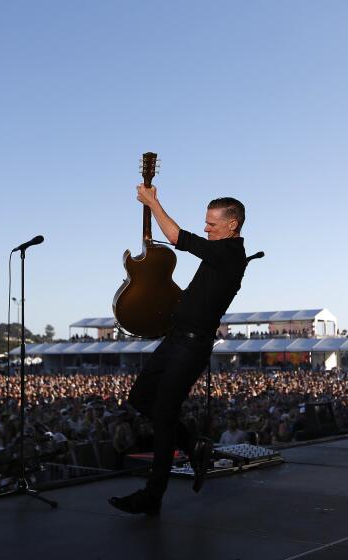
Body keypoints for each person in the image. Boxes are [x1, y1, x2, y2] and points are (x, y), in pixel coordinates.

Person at [109, 185, 249, 515]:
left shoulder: (230, 254)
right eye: (206, 223)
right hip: (175, 339)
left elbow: (177, 238)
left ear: (232, 225)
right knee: (141, 398)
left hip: (192, 346)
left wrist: (152, 202)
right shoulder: (218, 252)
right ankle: (193, 444)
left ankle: (153, 494)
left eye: (212, 225)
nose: (206, 229)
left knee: (165, 415)